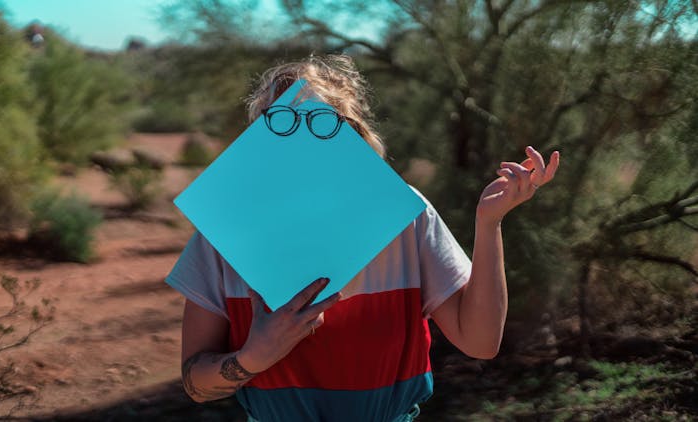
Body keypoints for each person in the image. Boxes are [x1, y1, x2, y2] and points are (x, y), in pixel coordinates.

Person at [165, 54, 560, 421]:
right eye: (278, 121)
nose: (296, 138)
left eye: (320, 120)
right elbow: (195, 385)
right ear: (256, 138)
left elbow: (481, 341)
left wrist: (489, 223)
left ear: (352, 132)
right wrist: (254, 356)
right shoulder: (223, 231)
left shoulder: (404, 214)